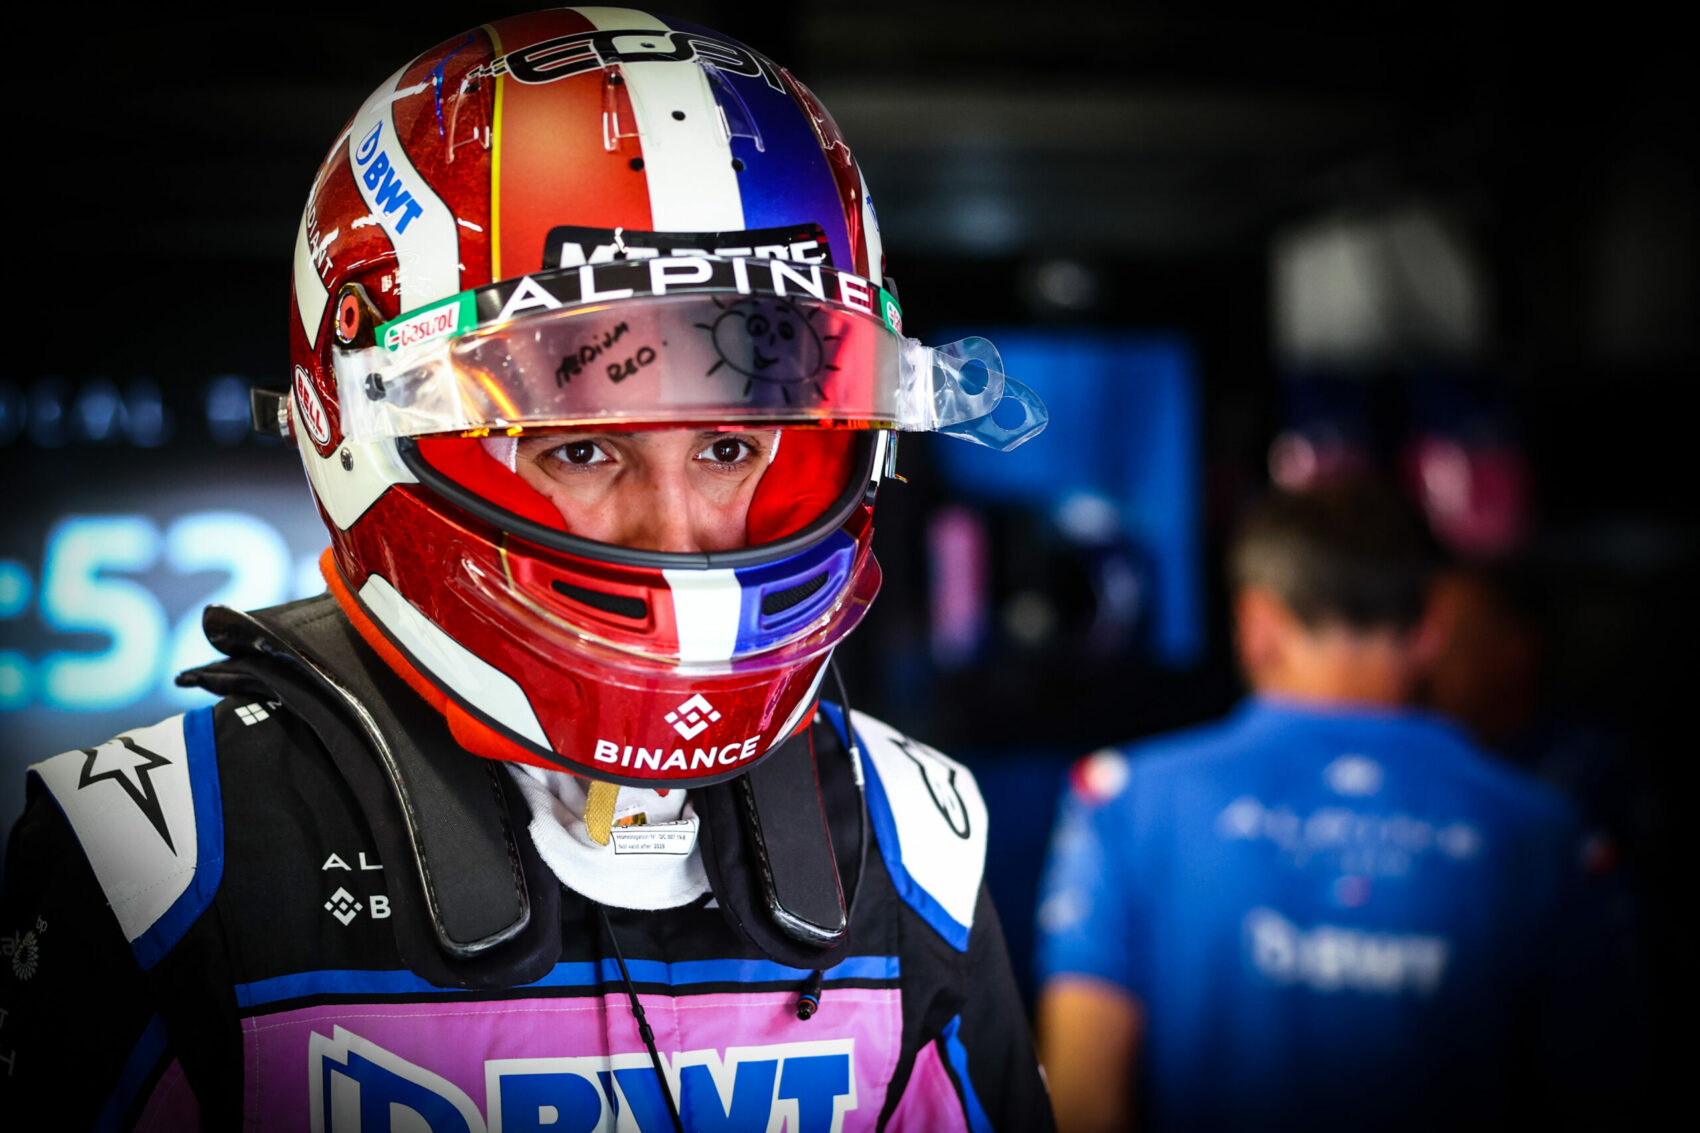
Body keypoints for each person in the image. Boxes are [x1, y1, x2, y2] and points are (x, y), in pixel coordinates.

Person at [0, 10, 1054, 1130]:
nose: (675, 531)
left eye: (730, 448)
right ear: (353, 422)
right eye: (583, 449)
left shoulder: (916, 832)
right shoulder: (157, 860)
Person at [1034, 478, 1641, 1132]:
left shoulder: (1127, 802)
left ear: (1258, 626)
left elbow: (1083, 1103)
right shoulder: (1548, 835)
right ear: (1432, 630)